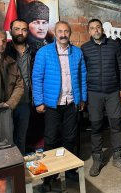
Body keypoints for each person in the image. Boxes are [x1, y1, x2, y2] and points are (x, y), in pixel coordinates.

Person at [32, 21, 87, 191]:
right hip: (52, 105)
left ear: (70, 34)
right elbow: (37, 78)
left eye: (66, 31)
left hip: (71, 103)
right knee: (51, 138)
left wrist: (82, 98)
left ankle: (69, 170)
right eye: (60, 31)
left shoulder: (77, 52)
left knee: (70, 138)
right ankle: (49, 177)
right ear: (55, 33)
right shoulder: (44, 52)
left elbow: (83, 76)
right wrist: (39, 101)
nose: (63, 34)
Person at [81, 18, 121, 177]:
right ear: (89, 31)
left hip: (112, 92)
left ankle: (118, 157)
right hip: (94, 93)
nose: (96, 30)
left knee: (116, 124)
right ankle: (97, 159)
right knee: (96, 126)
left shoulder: (114, 45)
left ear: (102, 29)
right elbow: (82, 72)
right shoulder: (85, 48)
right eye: (92, 28)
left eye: (98, 27)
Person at [5, 19, 31, 156]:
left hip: (26, 102)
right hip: (8, 102)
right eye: (17, 29)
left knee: (22, 138)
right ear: (10, 31)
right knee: (7, 139)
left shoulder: (33, 50)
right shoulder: (4, 50)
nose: (20, 33)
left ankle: (20, 169)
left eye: (24, 29)